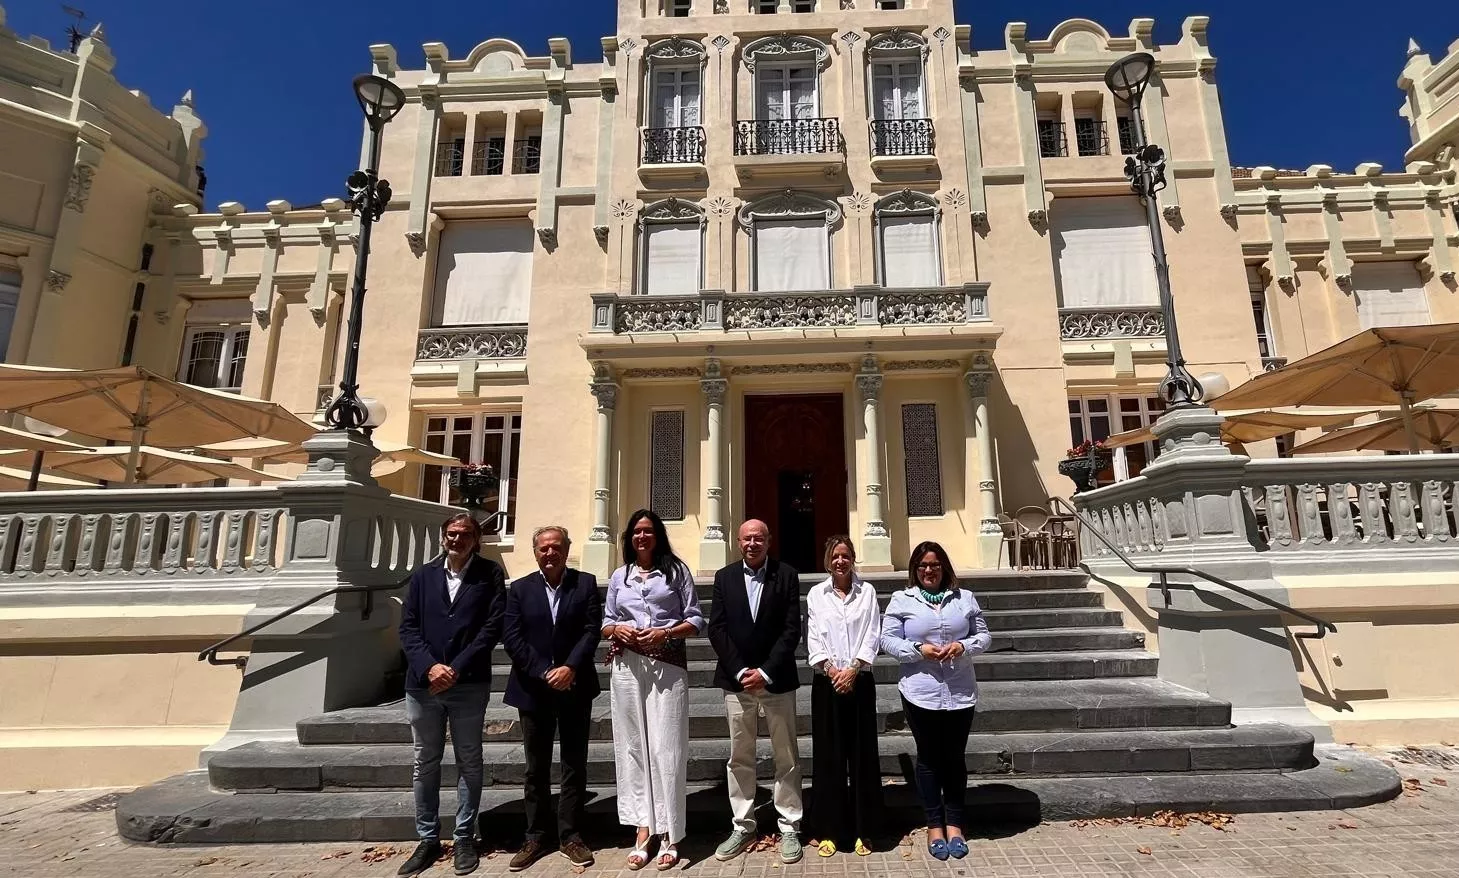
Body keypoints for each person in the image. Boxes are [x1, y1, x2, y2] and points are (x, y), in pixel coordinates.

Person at [397, 513, 508, 877]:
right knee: (424, 761)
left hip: (468, 682)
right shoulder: (424, 576)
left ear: (477, 540)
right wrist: (430, 666)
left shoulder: (489, 575)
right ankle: (427, 838)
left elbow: (491, 627)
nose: (456, 540)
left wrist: (455, 668)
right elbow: (408, 627)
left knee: (469, 760)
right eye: (451, 534)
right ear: (443, 538)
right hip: (423, 684)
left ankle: (463, 836)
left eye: (464, 535)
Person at [602, 509, 704, 871]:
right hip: (627, 667)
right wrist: (617, 631)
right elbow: (606, 620)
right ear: (629, 538)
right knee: (632, 745)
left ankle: (671, 833)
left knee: (667, 748)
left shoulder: (676, 572)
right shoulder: (620, 576)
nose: (642, 537)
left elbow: (695, 619)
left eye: (648, 531)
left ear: (658, 535)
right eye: (636, 532)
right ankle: (643, 828)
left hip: (667, 666)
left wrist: (666, 632)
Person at [879, 541, 992, 861]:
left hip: (959, 691)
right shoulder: (902, 599)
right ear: (915, 570)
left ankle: (955, 824)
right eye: (923, 565)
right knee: (929, 758)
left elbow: (984, 636)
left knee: (954, 757)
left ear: (944, 567)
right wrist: (917, 650)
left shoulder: (964, 598)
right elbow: (886, 639)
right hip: (921, 690)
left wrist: (964, 646)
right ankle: (934, 825)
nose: (929, 570)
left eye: (935, 564)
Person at [502, 526, 602, 872]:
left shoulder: (585, 583)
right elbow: (512, 636)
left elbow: (592, 629)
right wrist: (545, 671)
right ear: (535, 552)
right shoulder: (519, 589)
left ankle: (571, 835)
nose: (550, 553)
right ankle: (535, 835)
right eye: (543, 548)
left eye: (556, 547)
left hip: (575, 686)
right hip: (533, 689)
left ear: (567, 549)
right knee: (536, 767)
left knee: (574, 765)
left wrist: (570, 667)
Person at [708, 519, 804, 865]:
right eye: (747, 538)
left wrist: (764, 671)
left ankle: (789, 825)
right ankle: (743, 824)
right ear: (738, 542)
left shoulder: (787, 575)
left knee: (786, 756)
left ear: (769, 541)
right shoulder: (724, 577)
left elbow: (792, 629)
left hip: (776, 681)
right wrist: (740, 670)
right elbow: (717, 629)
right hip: (737, 683)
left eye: (759, 538)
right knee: (740, 756)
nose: (752, 543)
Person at [804, 536, 882, 858]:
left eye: (845, 555)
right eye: (835, 556)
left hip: (859, 681)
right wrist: (831, 670)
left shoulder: (868, 593)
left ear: (853, 559)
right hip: (827, 683)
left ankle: (865, 829)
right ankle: (830, 830)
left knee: (863, 757)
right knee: (829, 759)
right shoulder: (815, 595)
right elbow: (812, 635)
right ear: (827, 560)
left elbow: (873, 632)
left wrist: (853, 669)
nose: (840, 561)